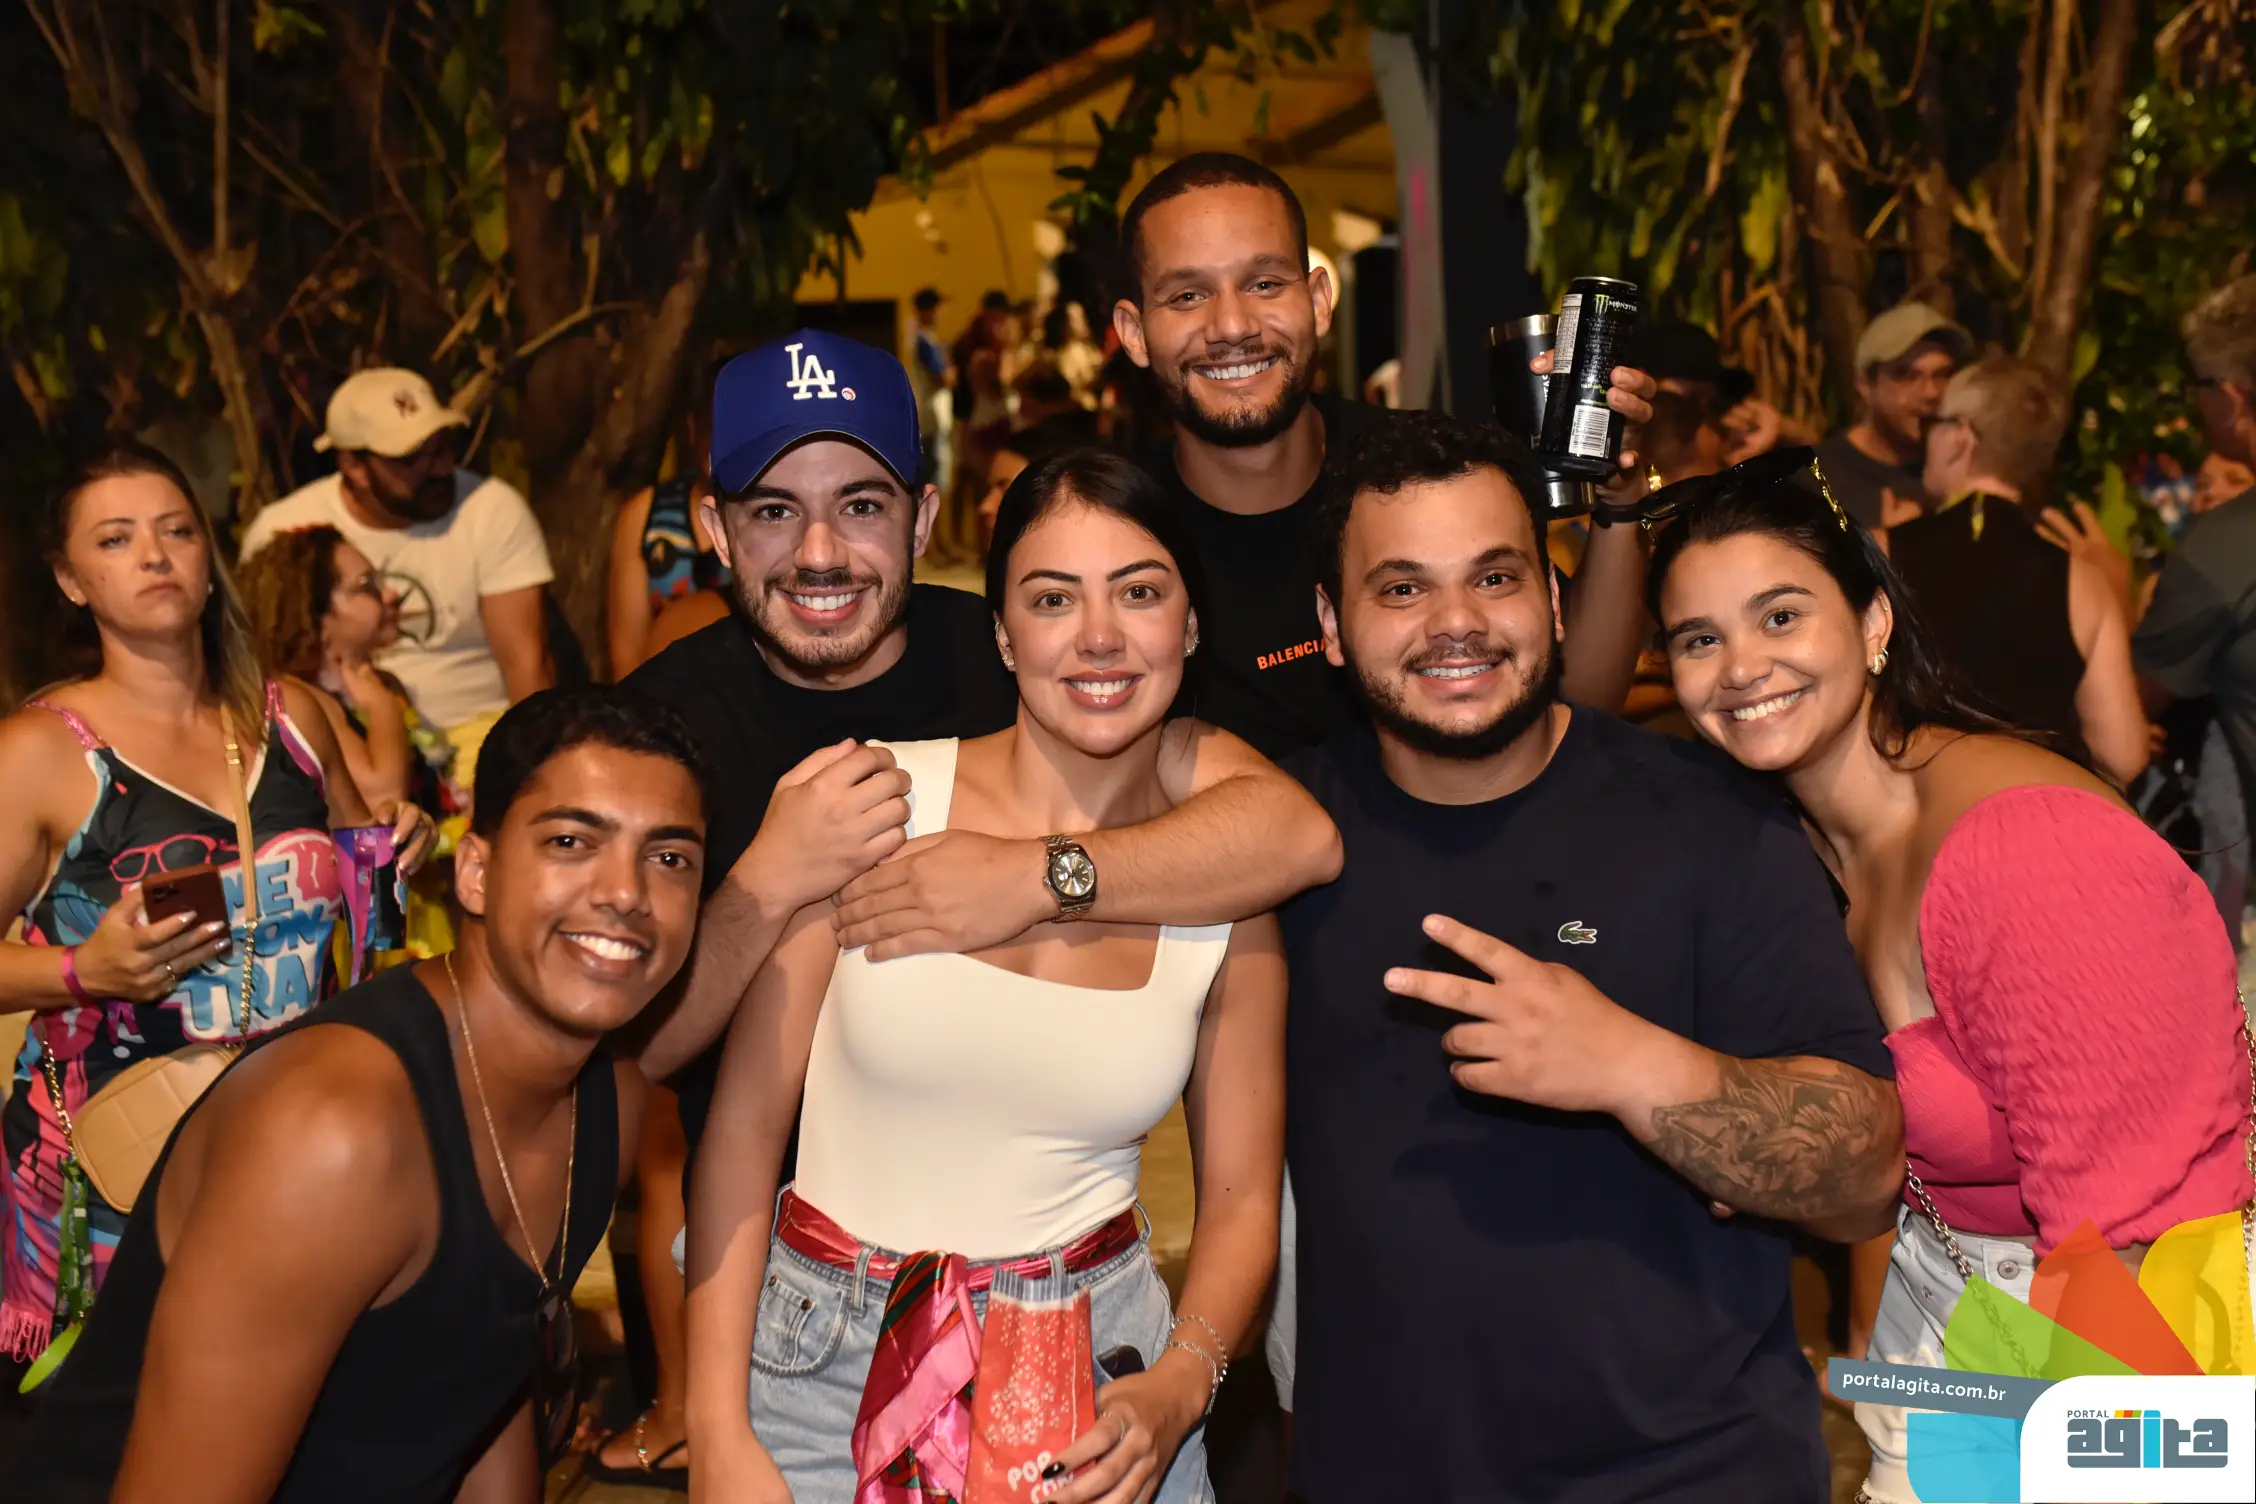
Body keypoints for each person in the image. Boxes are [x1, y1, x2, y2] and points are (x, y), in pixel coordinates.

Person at [1279, 413, 1903, 1499]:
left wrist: (1627, 1065)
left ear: (1557, 603)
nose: (1457, 623)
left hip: (1689, 1475)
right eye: (1402, 588)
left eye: (1496, 577)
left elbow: (1864, 1179)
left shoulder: (1711, 821)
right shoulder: (1278, 840)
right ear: (1332, 625)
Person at [1647, 453, 2252, 1504]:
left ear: (1873, 622)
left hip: (2119, 1345)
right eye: (1700, 639)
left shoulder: (2027, 852)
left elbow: (2126, 1245)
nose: (1741, 666)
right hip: (1951, 1317)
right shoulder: (1795, 847)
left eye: (1780, 616)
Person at [687, 450, 1285, 1504]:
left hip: (1100, 1377)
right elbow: (739, 1135)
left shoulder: (1227, 878)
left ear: (1190, 626)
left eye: (1140, 593)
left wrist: (1181, 1384)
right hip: (818, 1376)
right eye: (1052, 599)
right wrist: (715, 1427)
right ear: (1004, 634)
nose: (1098, 637)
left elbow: (1240, 1205)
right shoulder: (874, 804)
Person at [623, 328, 1336, 1178]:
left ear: (922, 519)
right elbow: (633, 1052)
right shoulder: (657, 731)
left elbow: (1292, 834)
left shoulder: (1020, 663)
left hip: (1032, 1218)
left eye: (861, 506)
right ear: (716, 528)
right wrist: (768, 885)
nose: (820, 555)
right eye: (775, 511)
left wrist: (1039, 876)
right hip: (756, 1216)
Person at [10, 686, 707, 1502]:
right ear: (476, 873)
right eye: (570, 841)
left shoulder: (607, 1104)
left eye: (669, 858)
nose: (625, 892)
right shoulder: (332, 1135)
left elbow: (482, 1388)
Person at [0, 443, 432, 1366]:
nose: (154, 556)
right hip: (118, 1172)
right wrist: (82, 971)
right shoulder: (41, 752)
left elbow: (363, 883)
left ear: (208, 557)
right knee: (134, 1427)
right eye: (115, 540)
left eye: (176, 531)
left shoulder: (293, 717)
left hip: (305, 1143)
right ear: (71, 582)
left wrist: (399, 841)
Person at [1110, 152, 1658, 761]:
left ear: (1319, 301)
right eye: (1188, 295)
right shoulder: (1110, 532)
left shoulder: (1420, 467)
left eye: (1265, 284)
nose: (1233, 325)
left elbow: (1582, 704)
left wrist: (1619, 496)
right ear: (1135, 333)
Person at [240, 367, 556, 746]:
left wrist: (527, 761)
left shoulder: (492, 509)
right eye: (411, 459)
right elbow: (268, 665)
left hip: (483, 738)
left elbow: (527, 664)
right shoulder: (285, 530)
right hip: (342, 744)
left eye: (442, 448)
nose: (440, 468)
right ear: (354, 466)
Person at [1888, 354, 2149, 784]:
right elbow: (2124, 755)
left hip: (1912, 805)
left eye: (1935, 422)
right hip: (2028, 807)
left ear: (1960, 438)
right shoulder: (2082, 581)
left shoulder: (1882, 551)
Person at [2137, 276, 2256, 832]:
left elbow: (2132, 702)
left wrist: (2105, 589)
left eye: (2200, 385)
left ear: (2230, 398)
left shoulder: (2223, 546)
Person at [235, 524, 432, 816]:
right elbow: (382, 802)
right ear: (316, 614)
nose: (390, 594)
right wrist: (382, 707)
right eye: (367, 586)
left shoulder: (384, 683)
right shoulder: (300, 698)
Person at [608, 357, 733, 677]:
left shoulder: (783, 516)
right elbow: (627, 656)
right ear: (692, 427)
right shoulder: (646, 516)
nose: (724, 446)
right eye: (714, 429)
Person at [1815, 302, 1974, 529]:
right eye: (1907, 376)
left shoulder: (1973, 467)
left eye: (1943, 374)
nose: (1931, 392)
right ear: (1866, 386)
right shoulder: (1821, 481)